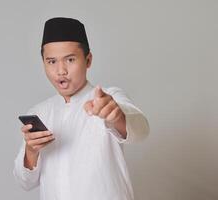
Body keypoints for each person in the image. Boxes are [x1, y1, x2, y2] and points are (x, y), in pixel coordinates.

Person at [13, 17, 150, 200]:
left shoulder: (108, 97)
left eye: (70, 59)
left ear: (88, 60)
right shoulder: (40, 112)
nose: (61, 70)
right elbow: (25, 182)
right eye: (52, 61)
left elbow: (141, 130)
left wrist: (116, 116)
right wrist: (31, 152)